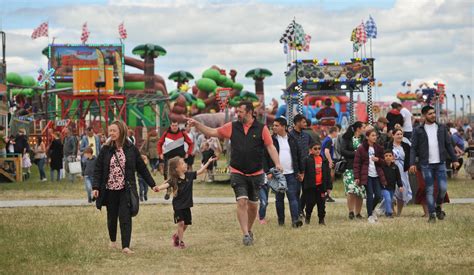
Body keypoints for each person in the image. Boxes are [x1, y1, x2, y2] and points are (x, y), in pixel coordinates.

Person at [187, 101, 282, 246]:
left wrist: (278, 163)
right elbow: (212, 132)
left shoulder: (261, 129)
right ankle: (245, 234)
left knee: (253, 205)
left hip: (256, 172)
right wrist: (197, 124)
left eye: (241, 111)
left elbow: (271, 147)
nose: (238, 114)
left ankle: (249, 230)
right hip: (237, 171)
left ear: (249, 112)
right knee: (241, 201)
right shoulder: (232, 126)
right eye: (237, 111)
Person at [92, 120, 158, 254]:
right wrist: (95, 187)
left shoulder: (131, 148)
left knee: (125, 217)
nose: (111, 133)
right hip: (109, 190)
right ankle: (112, 241)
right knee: (112, 217)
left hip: (125, 189)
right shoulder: (106, 149)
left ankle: (126, 246)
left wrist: (153, 184)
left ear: (121, 131)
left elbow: (142, 168)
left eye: (114, 131)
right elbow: (98, 169)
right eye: (110, 131)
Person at [155, 155, 217, 249]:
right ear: (176, 169)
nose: (185, 164)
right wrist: (158, 188)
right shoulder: (174, 179)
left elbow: (200, 171)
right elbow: (166, 184)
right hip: (178, 205)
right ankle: (181, 242)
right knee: (181, 223)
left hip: (187, 204)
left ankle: (176, 236)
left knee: (186, 224)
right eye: (182, 163)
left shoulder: (189, 175)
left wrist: (208, 162)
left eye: (184, 163)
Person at [409, 105, 459, 223]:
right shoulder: (418, 130)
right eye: (430, 113)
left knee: (442, 188)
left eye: (433, 113)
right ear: (424, 115)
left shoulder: (441, 128)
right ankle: (431, 214)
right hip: (426, 165)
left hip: (440, 163)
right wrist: (412, 163)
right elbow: (413, 148)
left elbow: (448, 145)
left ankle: (437, 206)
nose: (433, 115)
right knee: (430, 189)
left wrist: (455, 159)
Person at [263, 117, 303, 227]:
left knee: (293, 198)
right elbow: (264, 157)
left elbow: (299, 156)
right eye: (273, 125)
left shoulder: (292, 139)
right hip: (276, 174)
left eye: (276, 125)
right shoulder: (270, 140)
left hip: (291, 174)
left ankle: (295, 220)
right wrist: (268, 172)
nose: (274, 127)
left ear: (283, 126)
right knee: (279, 199)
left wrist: (301, 171)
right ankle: (281, 221)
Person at [354, 129, 387, 223]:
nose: (375, 137)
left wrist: (378, 160)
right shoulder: (361, 148)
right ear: (367, 137)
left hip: (376, 175)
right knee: (369, 194)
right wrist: (357, 177)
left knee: (378, 195)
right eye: (372, 135)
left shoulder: (379, 148)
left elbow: (384, 162)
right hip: (366, 175)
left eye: (375, 135)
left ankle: (371, 209)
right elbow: (357, 163)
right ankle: (370, 216)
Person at [157, 120, 194, 199]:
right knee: (167, 175)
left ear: (178, 126)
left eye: (176, 125)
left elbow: (190, 143)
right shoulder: (166, 133)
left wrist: (188, 153)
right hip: (168, 158)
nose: (174, 127)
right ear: (170, 126)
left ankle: (179, 191)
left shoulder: (182, 133)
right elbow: (159, 143)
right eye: (173, 125)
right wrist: (160, 153)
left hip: (180, 158)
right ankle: (168, 190)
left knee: (180, 175)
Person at [289, 114, 314, 218]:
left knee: (307, 190)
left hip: (307, 167)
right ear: (298, 122)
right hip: (295, 168)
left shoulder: (307, 136)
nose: (305, 124)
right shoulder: (290, 136)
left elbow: (313, 147)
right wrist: (298, 171)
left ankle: (301, 209)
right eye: (303, 122)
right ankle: (298, 211)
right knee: (296, 191)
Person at [341, 121, 366, 219]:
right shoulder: (346, 138)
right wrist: (355, 153)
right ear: (358, 128)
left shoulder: (364, 139)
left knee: (360, 191)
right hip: (349, 167)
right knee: (351, 190)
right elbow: (343, 151)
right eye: (363, 127)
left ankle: (358, 212)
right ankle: (351, 211)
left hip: (361, 168)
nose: (364, 129)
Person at [302, 141, 331, 225]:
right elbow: (303, 172)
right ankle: (307, 218)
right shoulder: (307, 160)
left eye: (319, 148)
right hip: (310, 186)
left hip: (321, 186)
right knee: (309, 203)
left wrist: (329, 187)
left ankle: (321, 220)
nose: (317, 150)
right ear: (310, 150)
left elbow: (327, 175)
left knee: (321, 204)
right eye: (315, 149)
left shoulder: (324, 160)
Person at [385, 129, 413, 216]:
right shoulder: (388, 145)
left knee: (402, 191)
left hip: (403, 170)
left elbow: (410, 157)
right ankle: (392, 210)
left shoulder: (406, 146)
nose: (400, 136)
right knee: (392, 189)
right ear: (393, 135)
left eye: (401, 134)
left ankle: (399, 212)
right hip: (391, 169)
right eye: (397, 134)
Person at [381, 150, 403, 218]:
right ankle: (389, 213)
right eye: (386, 156)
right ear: (383, 157)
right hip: (384, 187)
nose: (388, 157)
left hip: (392, 187)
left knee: (389, 200)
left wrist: (400, 186)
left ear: (393, 157)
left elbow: (398, 178)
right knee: (387, 198)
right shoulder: (382, 166)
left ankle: (384, 211)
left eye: (390, 156)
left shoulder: (395, 167)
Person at [321, 126, 338, 202]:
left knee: (326, 178)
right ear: (334, 132)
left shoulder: (326, 139)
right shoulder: (329, 140)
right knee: (328, 178)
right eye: (337, 131)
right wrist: (330, 161)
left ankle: (326, 195)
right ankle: (326, 195)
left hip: (324, 161)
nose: (337, 133)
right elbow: (326, 151)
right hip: (326, 161)